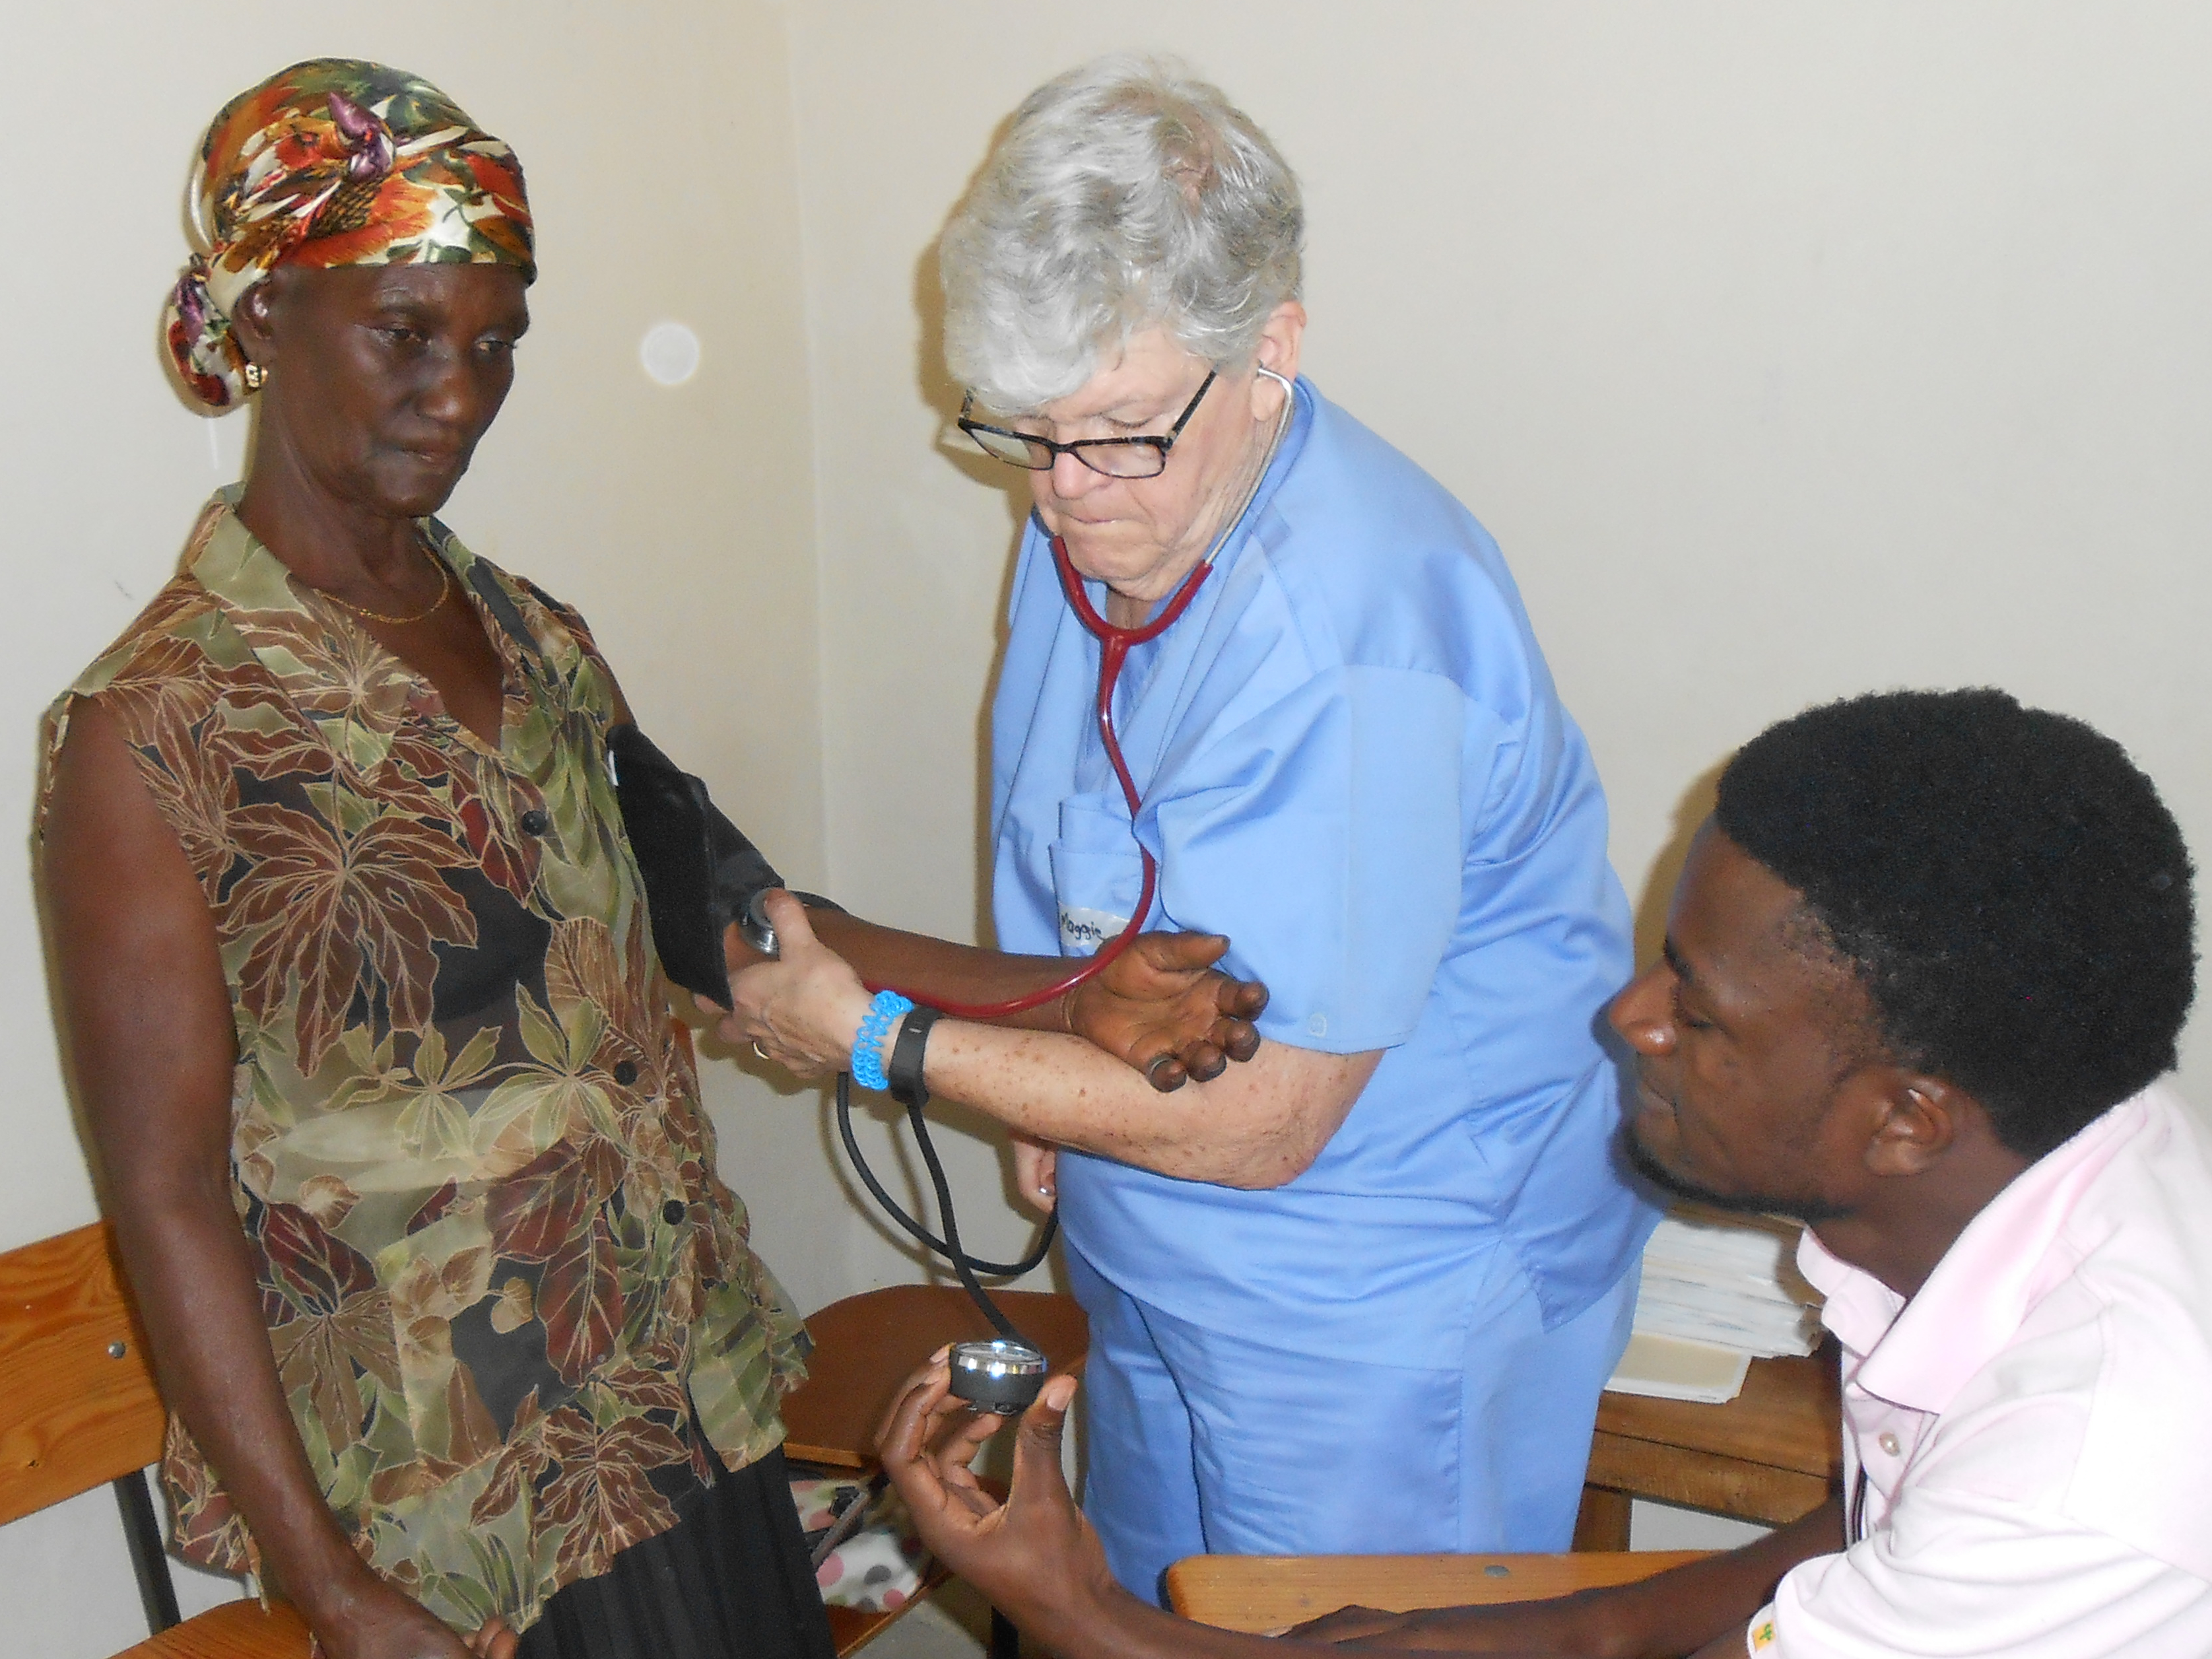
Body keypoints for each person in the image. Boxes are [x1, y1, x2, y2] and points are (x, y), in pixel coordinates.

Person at [37, 59, 1263, 1659]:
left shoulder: (529, 640)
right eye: (404, 335)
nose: (457, 395)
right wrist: (331, 1590)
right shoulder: (156, 733)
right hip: (456, 1503)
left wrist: (1072, 994)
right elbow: (167, 1195)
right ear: (266, 312)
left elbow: (742, 924)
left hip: (687, 1392)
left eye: (494, 345)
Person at [725, 54, 1655, 1600]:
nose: (1064, 493)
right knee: (1153, 1616)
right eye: (1025, 433)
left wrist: (880, 1037)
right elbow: (1068, 843)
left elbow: (1264, 1123)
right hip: (1159, 1225)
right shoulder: (1113, 513)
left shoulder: (1352, 640)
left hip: (1374, 1279)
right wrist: (1049, 1080)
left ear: (1269, 349)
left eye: (1114, 431)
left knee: (1328, 1640)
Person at [874, 687, 2212, 1659]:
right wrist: (1569, 1632)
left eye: (1696, 1012)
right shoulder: (2080, 1139)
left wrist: (1080, 1616)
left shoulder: (2076, 1485)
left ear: (1908, 1119)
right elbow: (1886, 1522)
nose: (1628, 1019)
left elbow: (1971, 1530)